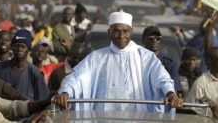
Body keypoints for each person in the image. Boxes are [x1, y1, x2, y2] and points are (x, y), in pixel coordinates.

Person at [54, 10, 183, 112]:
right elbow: (77, 77)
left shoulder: (146, 57)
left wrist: (170, 93)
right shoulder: (96, 57)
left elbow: (162, 78)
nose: (121, 36)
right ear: (109, 32)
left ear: (131, 32)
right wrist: (66, 92)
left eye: (125, 31)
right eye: (116, 31)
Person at [0, 29, 49, 100]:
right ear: (12, 48)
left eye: (23, 46)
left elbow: (43, 101)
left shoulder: (35, 74)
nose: (19, 49)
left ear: (29, 50)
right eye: (16, 46)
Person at [142, 26, 183, 95]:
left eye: (158, 38)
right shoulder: (137, 61)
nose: (154, 41)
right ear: (143, 40)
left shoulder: (169, 64)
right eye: (151, 38)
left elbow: (174, 90)